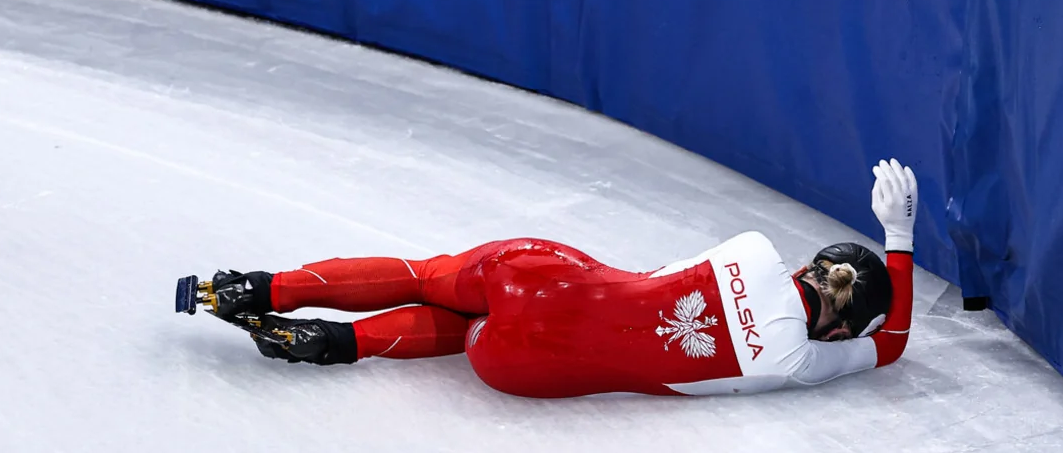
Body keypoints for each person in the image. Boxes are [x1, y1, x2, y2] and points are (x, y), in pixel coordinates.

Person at [204, 158, 917, 397]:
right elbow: (896, 342)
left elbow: (663, 275)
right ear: (843, 327)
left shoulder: (756, 249)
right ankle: (331, 344)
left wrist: (891, 233)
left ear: (807, 265)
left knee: (426, 275)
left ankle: (260, 289)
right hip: (524, 368)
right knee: (469, 334)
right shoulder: (798, 364)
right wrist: (904, 241)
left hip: (544, 278)